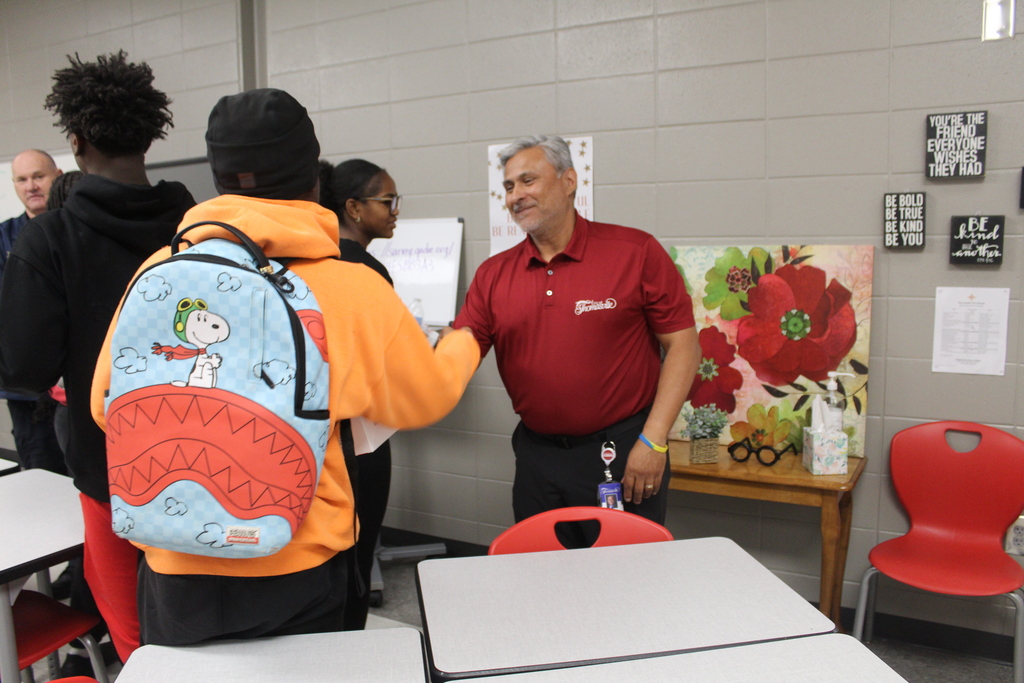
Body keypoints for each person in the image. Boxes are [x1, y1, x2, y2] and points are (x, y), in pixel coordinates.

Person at [91, 88, 479, 646]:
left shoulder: (160, 270)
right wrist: (463, 341)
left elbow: (107, 407)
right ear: (313, 179)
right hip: (297, 559)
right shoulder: (351, 285)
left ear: (219, 179)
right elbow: (428, 396)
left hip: (173, 558)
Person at [0, 51, 196, 664]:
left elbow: (22, 368)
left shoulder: (50, 239)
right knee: (201, 616)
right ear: (149, 135)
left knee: (136, 637)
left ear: (77, 142)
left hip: (110, 464)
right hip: (204, 454)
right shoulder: (196, 222)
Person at [453, 135, 700, 544]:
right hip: (536, 455)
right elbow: (457, 355)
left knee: (626, 579)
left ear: (569, 181)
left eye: (528, 180)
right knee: (542, 575)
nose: (516, 195)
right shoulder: (493, 274)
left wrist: (653, 442)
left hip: (621, 451)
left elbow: (684, 347)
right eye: (509, 186)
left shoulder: (634, 251)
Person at [318, 158, 400, 630]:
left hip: (318, 437)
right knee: (357, 553)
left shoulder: (309, 261)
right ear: (352, 207)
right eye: (386, 202)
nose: (394, 211)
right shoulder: (365, 270)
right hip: (359, 441)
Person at [0, 149, 66, 474]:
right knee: (40, 473)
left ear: (57, 175)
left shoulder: (78, 229)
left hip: (79, 384)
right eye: (22, 180)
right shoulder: (3, 238)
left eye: (38, 176)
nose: (31, 186)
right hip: (28, 392)